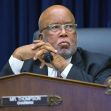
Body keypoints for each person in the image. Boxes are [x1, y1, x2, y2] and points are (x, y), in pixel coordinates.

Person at [1, 5, 111, 84]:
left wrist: (62, 65)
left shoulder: (100, 65)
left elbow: (102, 98)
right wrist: (16, 56)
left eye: (69, 26)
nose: (64, 33)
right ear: (41, 38)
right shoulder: (26, 66)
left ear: (75, 34)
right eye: (55, 27)